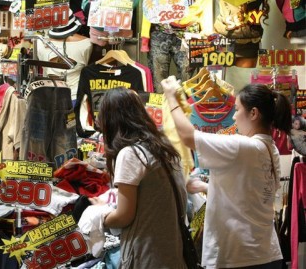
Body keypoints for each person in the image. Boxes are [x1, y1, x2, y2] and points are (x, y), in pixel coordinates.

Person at [161, 76, 291, 269]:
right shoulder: (270, 149)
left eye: (237, 110)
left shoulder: (243, 146)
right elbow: (247, 195)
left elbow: (188, 136)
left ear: (253, 113)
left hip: (240, 257)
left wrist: (171, 98)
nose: (233, 116)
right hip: (265, 253)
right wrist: (206, 186)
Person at [89, 87, 187, 268]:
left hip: (147, 256)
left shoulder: (131, 154)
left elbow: (124, 216)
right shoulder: (162, 146)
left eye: (101, 116)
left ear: (112, 120)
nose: (98, 122)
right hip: (172, 253)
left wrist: (100, 216)